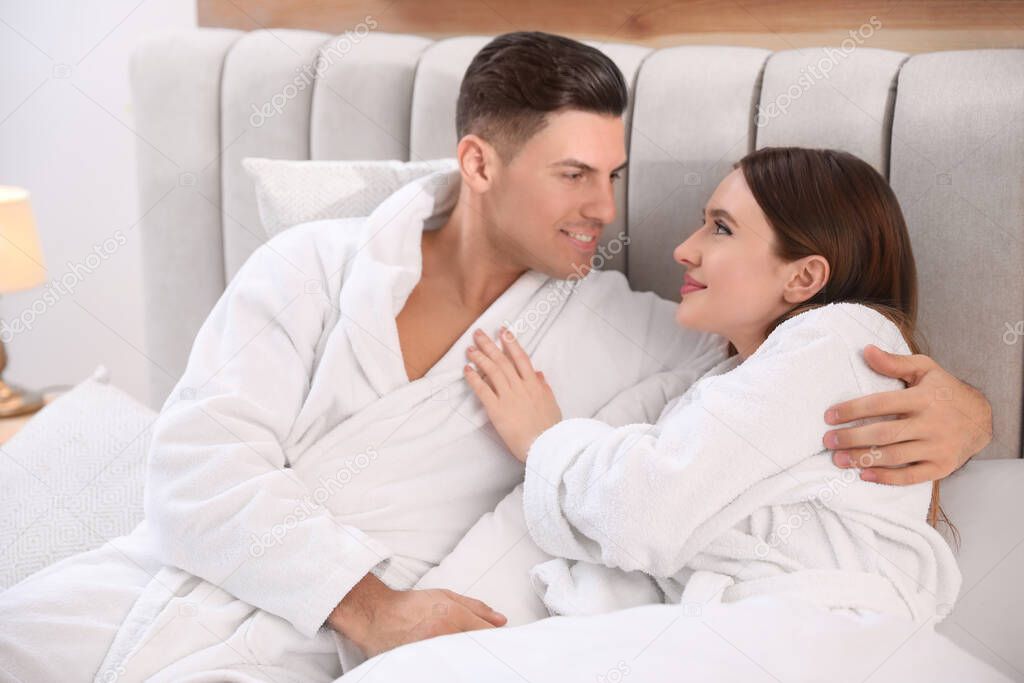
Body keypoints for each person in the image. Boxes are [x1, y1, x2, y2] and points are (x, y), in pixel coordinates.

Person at [0, 33, 990, 682]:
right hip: (158, 586)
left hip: (301, 650)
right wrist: (375, 606)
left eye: (613, 175)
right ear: (478, 163)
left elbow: (754, 395)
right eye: (572, 175)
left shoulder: (630, 332)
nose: (604, 210)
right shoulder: (309, 268)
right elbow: (193, 470)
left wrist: (963, 411)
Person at [463, 146, 961, 621]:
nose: (684, 250)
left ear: (804, 277)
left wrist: (544, 442)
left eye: (720, 228)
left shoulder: (841, 338)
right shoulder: (726, 378)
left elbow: (646, 509)